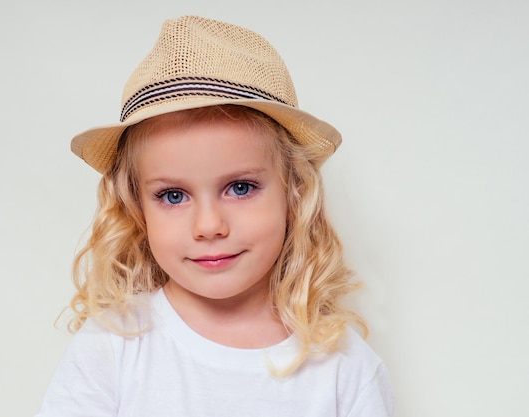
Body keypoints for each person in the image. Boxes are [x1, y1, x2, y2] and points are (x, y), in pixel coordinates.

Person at [36, 15, 394, 417]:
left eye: (240, 187)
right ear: (137, 208)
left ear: (294, 194)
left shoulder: (343, 367)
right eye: (173, 195)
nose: (208, 226)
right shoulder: (113, 344)